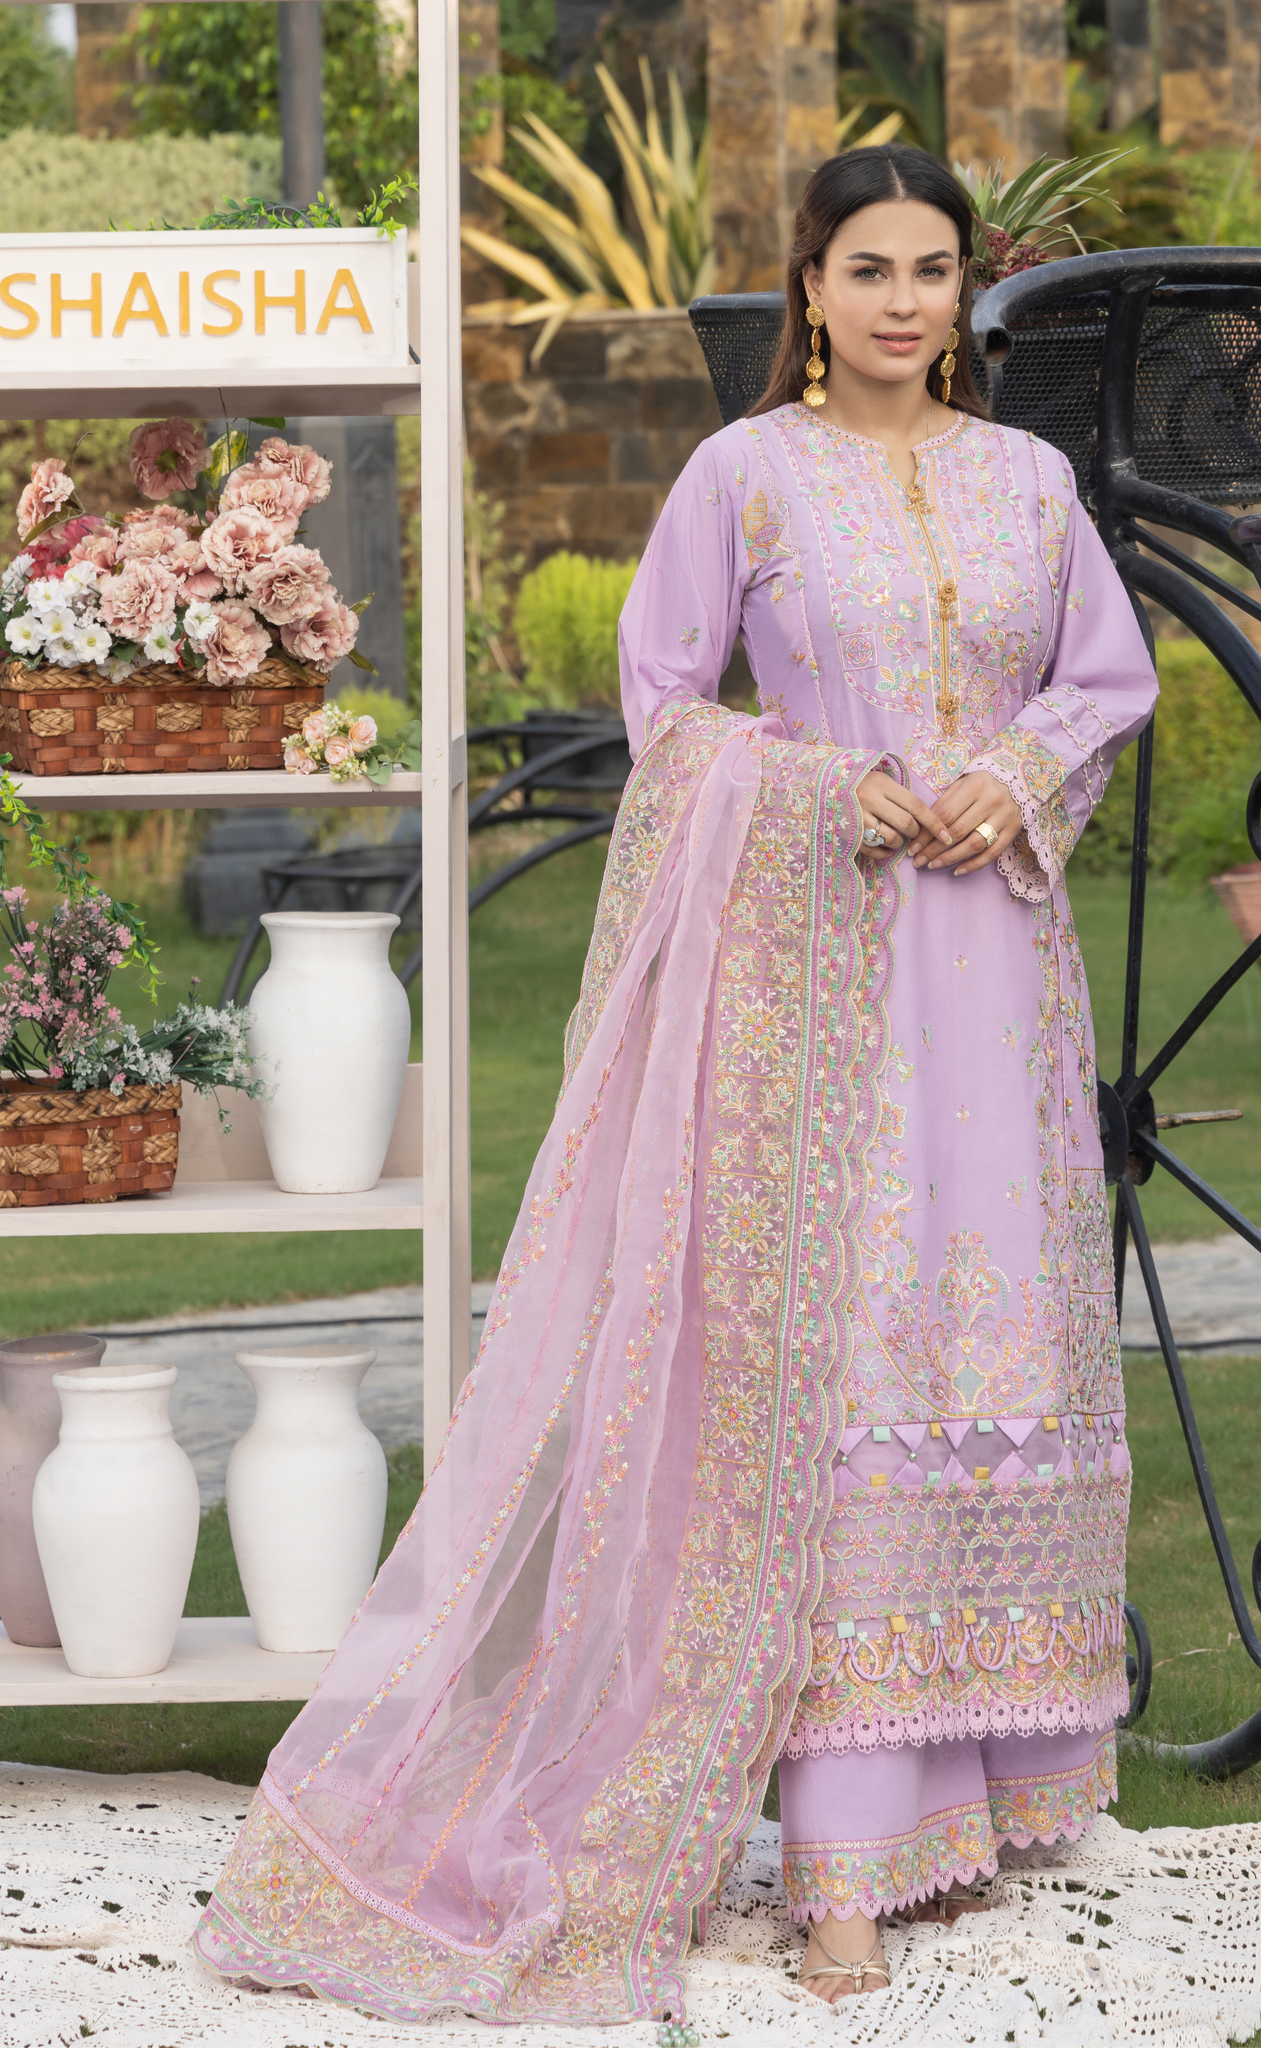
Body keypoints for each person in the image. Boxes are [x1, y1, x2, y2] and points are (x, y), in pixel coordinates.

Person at [191, 142, 1158, 2027]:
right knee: (847, 1363)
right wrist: (828, 785)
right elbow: (667, 706)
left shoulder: (1031, 482)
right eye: (868, 268)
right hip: (815, 981)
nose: (902, 301)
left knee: (995, 1340)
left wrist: (1017, 775)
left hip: (998, 972)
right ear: (809, 287)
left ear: (965, 290)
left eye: (933, 270)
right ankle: (843, 1861)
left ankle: (982, 1802)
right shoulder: (745, 476)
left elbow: (1102, 683)